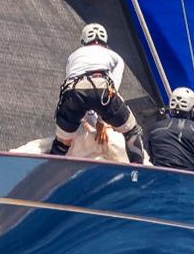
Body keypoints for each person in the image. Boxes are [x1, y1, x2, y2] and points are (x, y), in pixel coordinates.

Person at [49, 23, 144, 164]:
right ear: (105, 41)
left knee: (62, 143)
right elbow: (113, 90)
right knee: (132, 131)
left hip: (73, 91)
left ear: (83, 41)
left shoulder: (73, 56)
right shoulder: (115, 57)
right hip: (101, 87)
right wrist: (101, 122)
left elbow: (73, 86)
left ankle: (49, 171)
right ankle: (137, 173)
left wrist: (83, 119)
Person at [146, 87, 194, 173]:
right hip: (187, 182)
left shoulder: (155, 129)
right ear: (193, 109)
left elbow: (152, 157)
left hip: (160, 181)